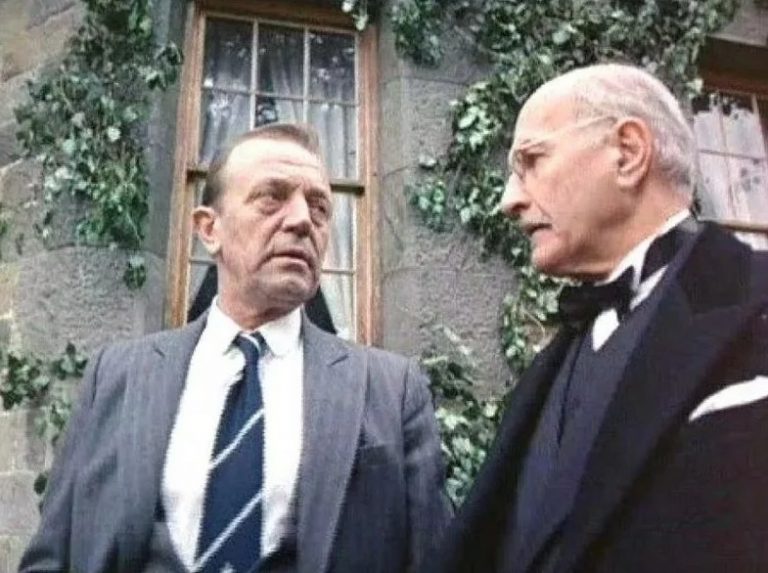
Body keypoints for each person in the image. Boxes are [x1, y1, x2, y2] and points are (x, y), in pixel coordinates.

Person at [20, 123, 452, 573]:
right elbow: (52, 556)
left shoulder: (392, 390)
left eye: (319, 207)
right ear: (210, 229)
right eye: (271, 197)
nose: (302, 220)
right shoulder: (117, 376)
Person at [428, 63, 768, 573]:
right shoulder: (548, 371)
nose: (509, 201)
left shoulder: (753, 302)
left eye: (532, 161)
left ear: (628, 153)